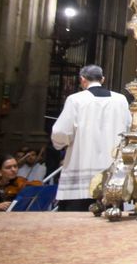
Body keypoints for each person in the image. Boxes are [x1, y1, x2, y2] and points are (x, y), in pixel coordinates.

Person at [50, 65, 131, 211]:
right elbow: (129, 131)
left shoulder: (75, 100)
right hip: (111, 176)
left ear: (82, 80)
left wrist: (59, 144)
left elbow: (60, 132)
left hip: (81, 173)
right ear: (103, 79)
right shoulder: (121, 100)